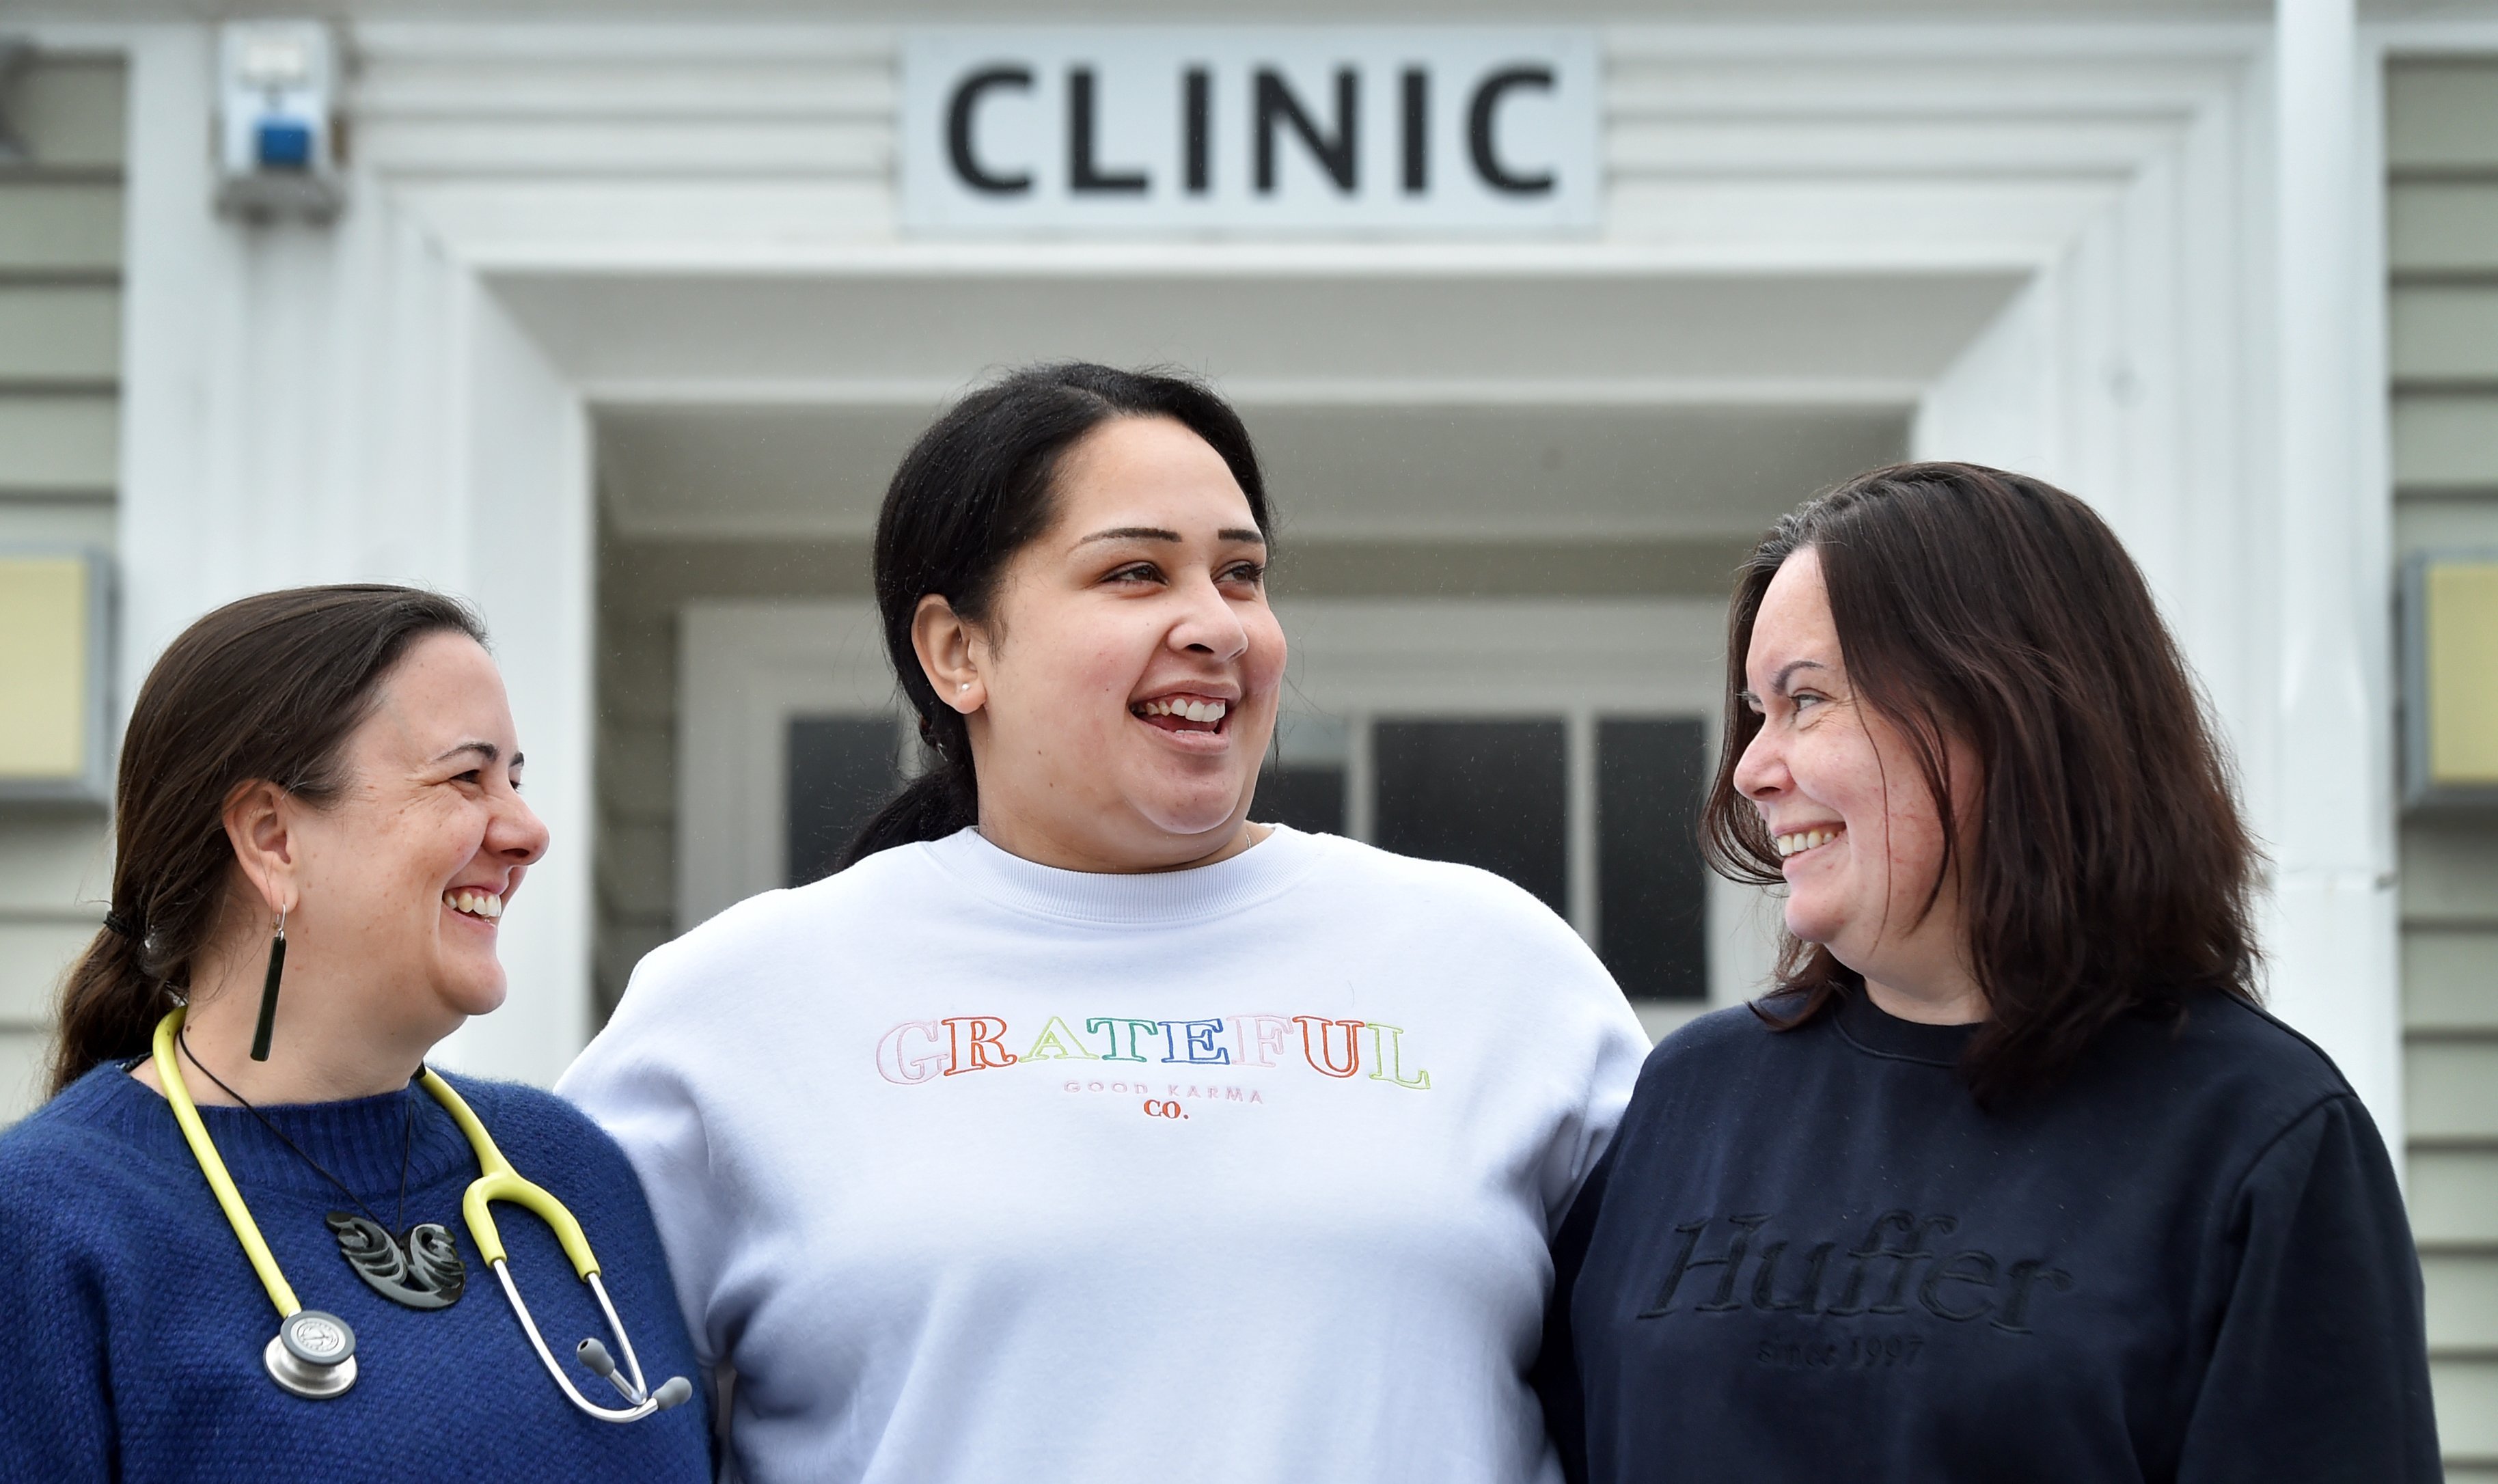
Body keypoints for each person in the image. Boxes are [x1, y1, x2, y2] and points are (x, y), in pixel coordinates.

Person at [559, 362, 1649, 1484]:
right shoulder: (742, 1003)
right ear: (957, 652)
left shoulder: (1498, 971)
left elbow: (1699, 1389)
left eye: (1241, 574)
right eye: (1136, 572)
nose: (1217, 626)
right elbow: (555, 1422)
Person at [1535, 463, 2439, 1482]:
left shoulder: (2257, 1136)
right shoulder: (1694, 1099)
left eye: (1808, 700)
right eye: (1757, 710)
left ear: (2009, 708)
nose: (1750, 766)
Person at [0, 586, 711, 1482]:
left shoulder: (568, 1172)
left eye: (516, 782)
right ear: (272, 838)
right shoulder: (45, 1225)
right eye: (466, 777)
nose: (528, 833)